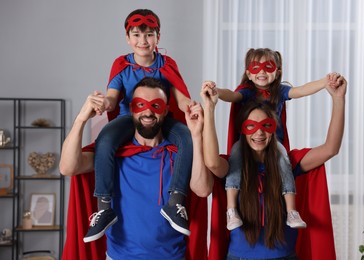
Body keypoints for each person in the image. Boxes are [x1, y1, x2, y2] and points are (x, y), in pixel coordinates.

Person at [59, 77, 213, 259]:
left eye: (156, 106)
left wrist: (196, 136)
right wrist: (81, 119)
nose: (148, 112)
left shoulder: (179, 154)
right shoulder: (112, 154)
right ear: (131, 109)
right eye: (140, 105)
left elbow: (203, 190)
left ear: (166, 111)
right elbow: (68, 168)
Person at [201, 76, 346, 259]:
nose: (259, 132)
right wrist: (210, 108)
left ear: (274, 128)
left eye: (266, 126)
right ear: (242, 130)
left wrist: (338, 99)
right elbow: (212, 163)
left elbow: (330, 148)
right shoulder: (233, 166)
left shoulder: (289, 162)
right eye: (251, 126)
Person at [88, 9, 195, 242]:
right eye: (136, 35)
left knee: (186, 137)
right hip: (130, 119)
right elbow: (113, 99)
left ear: (158, 37)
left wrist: (193, 106)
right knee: (104, 141)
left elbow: (181, 98)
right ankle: (104, 206)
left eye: (149, 35)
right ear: (128, 38)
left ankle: (175, 201)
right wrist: (101, 103)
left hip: (161, 118)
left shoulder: (167, 64)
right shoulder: (121, 64)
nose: (142, 41)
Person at [213, 48, 342, 230]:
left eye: (268, 66)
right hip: (245, 144)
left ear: (277, 72)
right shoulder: (247, 92)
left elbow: (301, 90)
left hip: (274, 144)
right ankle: (232, 209)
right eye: (256, 68)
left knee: (284, 162)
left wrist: (324, 81)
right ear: (248, 73)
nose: (262, 72)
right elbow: (232, 95)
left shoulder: (280, 92)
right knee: (235, 159)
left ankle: (291, 210)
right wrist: (216, 91)